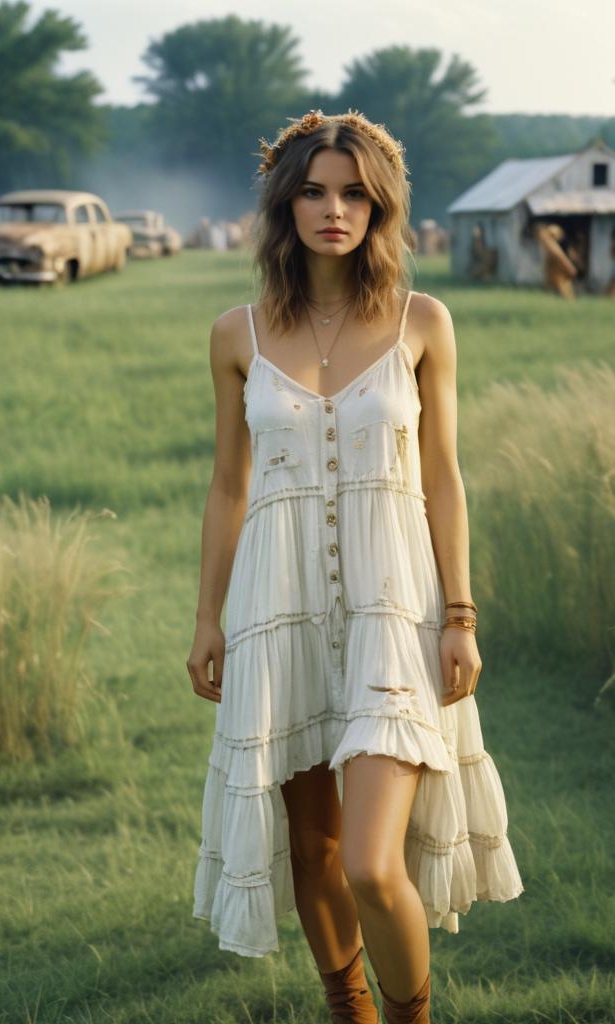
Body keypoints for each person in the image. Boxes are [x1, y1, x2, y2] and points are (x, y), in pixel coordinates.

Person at [187, 108, 524, 1024]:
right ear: (284, 203)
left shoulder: (423, 322)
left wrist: (460, 616)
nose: (334, 210)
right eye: (314, 191)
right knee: (314, 852)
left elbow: (445, 478)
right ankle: (352, 1012)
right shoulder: (236, 336)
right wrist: (209, 618)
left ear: (380, 207)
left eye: (355, 194)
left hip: (396, 614)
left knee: (376, 863)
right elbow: (227, 488)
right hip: (278, 610)